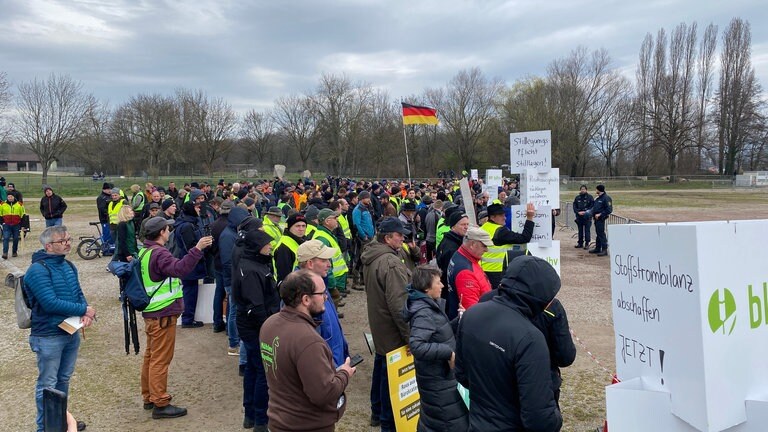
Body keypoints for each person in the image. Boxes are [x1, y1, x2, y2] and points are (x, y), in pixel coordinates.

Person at [455, 255, 563, 431]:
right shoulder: (530, 338)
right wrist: (556, 417)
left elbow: (462, 375)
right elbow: (539, 419)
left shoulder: (471, 314)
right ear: (540, 296)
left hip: (477, 423)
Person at [259, 270, 356, 432]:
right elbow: (323, 394)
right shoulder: (308, 341)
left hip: (278, 421)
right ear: (305, 299)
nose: (326, 297)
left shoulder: (269, 324)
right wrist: (345, 373)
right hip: (307, 425)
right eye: (322, 293)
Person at [139, 217, 213, 419]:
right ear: (162, 232)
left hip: (152, 313)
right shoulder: (159, 253)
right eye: (167, 228)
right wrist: (197, 249)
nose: (169, 230)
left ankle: (149, 397)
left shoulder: (144, 251)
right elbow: (180, 269)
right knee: (160, 360)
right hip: (162, 314)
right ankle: (160, 403)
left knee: (151, 357)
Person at [24, 226, 95, 432]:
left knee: (63, 380)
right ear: (48, 246)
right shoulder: (37, 270)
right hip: (48, 336)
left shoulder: (69, 265)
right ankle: (45, 427)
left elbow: (77, 293)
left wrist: (84, 314)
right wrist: (85, 309)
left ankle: (61, 421)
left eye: (68, 239)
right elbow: (49, 303)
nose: (67, 243)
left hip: (69, 332)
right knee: (47, 385)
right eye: (62, 240)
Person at [361, 217, 412, 431]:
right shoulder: (389, 262)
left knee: (381, 367)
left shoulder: (375, 255)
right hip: (391, 328)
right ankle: (386, 421)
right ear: (387, 237)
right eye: (399, 235)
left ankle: (377, 412)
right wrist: (411, 337)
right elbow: (399, 304)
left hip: (380, 323)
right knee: (391, 378)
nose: (403, 239)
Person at [403, 265, 469, 432]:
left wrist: (459, 320)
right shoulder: (424, 312)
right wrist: (448, 352)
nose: (442, 286)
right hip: (438, 383)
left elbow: (440, 331)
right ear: (426, 288)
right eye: (438, 283)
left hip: (440, 380)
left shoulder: (429, 305)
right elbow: (417, 345)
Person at [232, 227, 279, 431]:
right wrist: (270, 329)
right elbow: (256, 306)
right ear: (257, 247)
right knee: (262, 372)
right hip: (256, 328)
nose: (270, 247)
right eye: (267, 244)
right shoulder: (250, 270)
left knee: (253, 369)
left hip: (254, 326)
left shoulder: (256, 263)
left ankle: (250, 414)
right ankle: (260, 419)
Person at [297, 239, 349, 362]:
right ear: (310, 263)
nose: (329, 264)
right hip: (324, 370)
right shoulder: (300, 295)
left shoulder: (320, 284)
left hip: (334, 363)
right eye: (324, 260)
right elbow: (308, 347)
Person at [479, 202, 535, 289]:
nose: (504, 218)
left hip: (483, 271)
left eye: (504, 215)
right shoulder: (500, 232)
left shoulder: (483, 228)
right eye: (501, 216)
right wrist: (529, 218)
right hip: (497, 271)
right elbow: (525, 238)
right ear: (492, 217)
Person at [173, 201, 207, 328]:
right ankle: (187, 319)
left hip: (187, 260)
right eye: (197, 207)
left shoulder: (186, 223)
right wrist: (202, 246)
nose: (199, 210)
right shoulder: (187, 226)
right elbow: (190, 246)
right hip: (190, 262)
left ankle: (189, 317)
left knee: (190, 290)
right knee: (190, 291)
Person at [447, 227, 494, 314]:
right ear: (472, 244)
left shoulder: (460, 256)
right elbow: (472, 312)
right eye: (484, 245)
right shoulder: (466, 273)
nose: (486, 250)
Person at [435, 210, 470, 320]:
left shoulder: (455, 240)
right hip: (452, 294)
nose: (466, 227)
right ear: (453, 226)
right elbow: (451, 274)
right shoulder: (451, 247)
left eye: (467, 224)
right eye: (463, 224)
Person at [273, 213, 307, 284]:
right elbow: (284, 276)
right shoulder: (284, 247)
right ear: (289, 227)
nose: (301, 229)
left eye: (303, 226)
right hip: (290, 288)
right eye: (297, 226)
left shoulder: (299, 241)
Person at [0, 193, 25, 259]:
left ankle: (14, 252)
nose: (10, 198)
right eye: (8, 197)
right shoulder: (2, 204)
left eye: (11, 197)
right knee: (6, 238)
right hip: (6, 225)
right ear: (7, 197)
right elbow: (0, 214)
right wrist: (2, 223)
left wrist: (23, 225)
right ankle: (5, 253)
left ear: (14, 197)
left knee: (16, 238)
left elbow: (23, 216)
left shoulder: (20, 204)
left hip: (16, 225)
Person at [589, 184, 613, 257]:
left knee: (601, 234)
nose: (595, 190)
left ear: (599, 190)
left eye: (596, 189)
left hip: (601, 218)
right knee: (598, 233)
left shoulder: (606, 198)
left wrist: (600, 214)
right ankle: (598, 248)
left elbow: (609, 209)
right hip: (596, 218)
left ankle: (604, 249)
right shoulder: (598, 198)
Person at [573, 185, 594, 249]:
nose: (583, 190)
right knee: (580, 230)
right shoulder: (577, 197)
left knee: (587, 230)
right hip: (579, 216)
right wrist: (578, 212)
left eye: (584, 189)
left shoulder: (590, 197)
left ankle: (587, 243)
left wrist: (586, 212)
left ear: (586, 190)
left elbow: (592, 206)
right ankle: (580, 243)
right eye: (581, 189)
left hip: (587, 217)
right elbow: (574, 206)